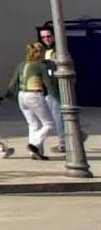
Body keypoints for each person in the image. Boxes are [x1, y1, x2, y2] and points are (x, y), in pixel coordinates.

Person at [8, 42, 58, 160]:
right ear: (40, 53)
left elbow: (13, 82)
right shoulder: (40, 66)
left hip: (22, 96)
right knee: (48, 124)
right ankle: (34, 144)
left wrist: (8, 96)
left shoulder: (22, 64)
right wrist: (57, 97)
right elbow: (49, 85)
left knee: (33, 124)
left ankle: (35, 153)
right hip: (34, 95)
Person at [36, 26, 68, 155]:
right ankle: (78, 135)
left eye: (48, 36)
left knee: (58, 115)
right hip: (47, 87)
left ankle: (63, 142)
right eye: (43, 37)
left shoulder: (59, 49)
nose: (46, 39)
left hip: (56, 86)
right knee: (57, 115)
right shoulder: (44, 50)